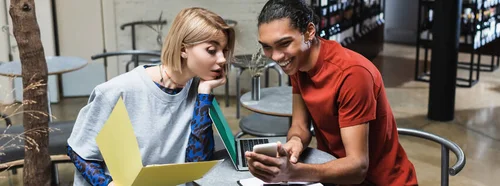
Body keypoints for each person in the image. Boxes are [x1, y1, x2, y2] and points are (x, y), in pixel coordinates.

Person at [245, 0, 418, 185]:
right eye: (267, 47)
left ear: (309, 32)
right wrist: (295, 142)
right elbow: (300, 126)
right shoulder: (297, 65)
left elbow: (358, 167)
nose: (276, 56)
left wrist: (293, 173)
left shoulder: (352, 75)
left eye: (285, 43)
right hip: (335, 176)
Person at [66, 7, 235, 186]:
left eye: (223, 51)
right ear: (183, 49)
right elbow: (79, 151)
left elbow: (198, 165)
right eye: (211, 50)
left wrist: (204, 93)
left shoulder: (199, 91)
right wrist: (106, 184)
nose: (222, 59)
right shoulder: (117, 92)